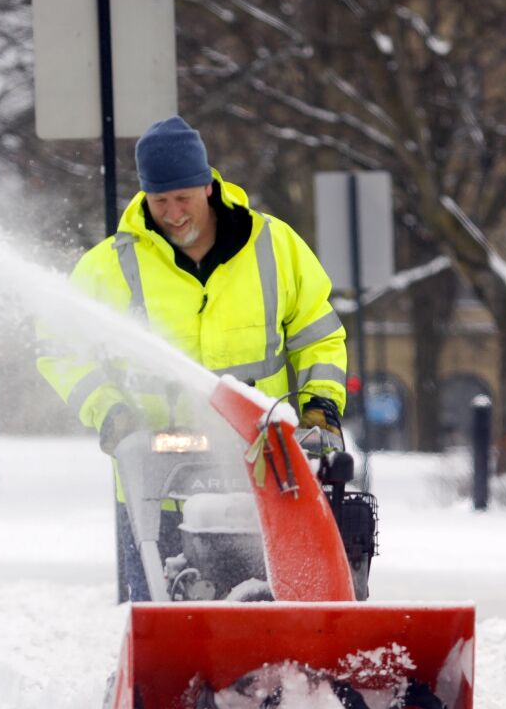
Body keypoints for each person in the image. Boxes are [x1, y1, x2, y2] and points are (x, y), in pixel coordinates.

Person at [36, 115, 348, 598]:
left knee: (284, 609)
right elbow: (60, 350)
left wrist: (320, 404)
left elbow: (320, 336)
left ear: (208, 185)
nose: (173, 212)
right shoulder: (110, 265)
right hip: (157, 488)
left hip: (266, 471)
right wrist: (111, 412)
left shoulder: (275, 247)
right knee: (164, 616)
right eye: (160, 201)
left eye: (183, 198)